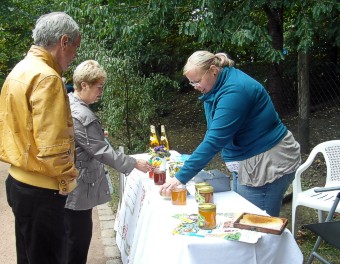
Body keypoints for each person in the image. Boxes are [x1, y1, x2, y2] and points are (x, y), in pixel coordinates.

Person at [160, 51, 301, 217]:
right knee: (241, 219)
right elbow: (213, 131)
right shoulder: (213, 88)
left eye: (198, 81)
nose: (196, 87)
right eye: (192, 83)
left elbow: (214, 140)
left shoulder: (235, 91)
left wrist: (180, 177)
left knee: (255, 224)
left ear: (213, 70)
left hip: (267, 164)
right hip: (247, 164)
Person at [0, 12, 81, 264]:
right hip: (42, 188)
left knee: (28, 256)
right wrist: (68, 180)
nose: (74, 56)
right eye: (75, 48)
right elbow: (54, 146)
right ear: (64, 41)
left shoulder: (21, 69)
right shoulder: (47, 77)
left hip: (19, 181)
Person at [64, 60, 152, 264]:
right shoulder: (82, 114)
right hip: (78, 185)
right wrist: (133, 163)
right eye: (99, 87)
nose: (101, 91)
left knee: (73, 234)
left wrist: (95, 134)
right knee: (78, 238)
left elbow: (81, 139)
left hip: (71, 180)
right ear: (84, 85)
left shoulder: (70, 102)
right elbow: (101, 150)